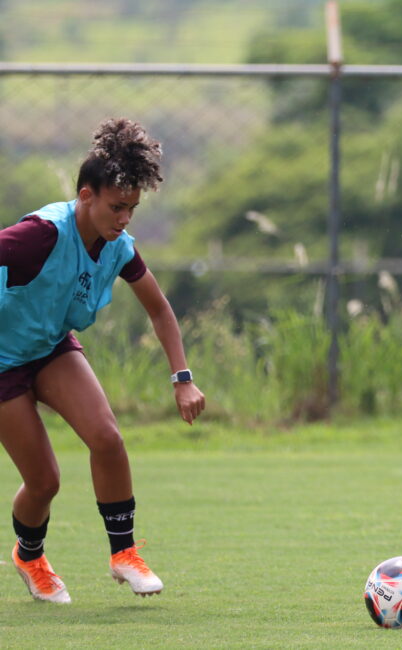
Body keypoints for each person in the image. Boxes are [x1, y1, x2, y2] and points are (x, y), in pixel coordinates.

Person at [0, 118, 206, 603]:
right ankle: (30, 556)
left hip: (49, 347)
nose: (125, 218)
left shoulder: (118, 246)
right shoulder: (39, 235)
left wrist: (183, 378)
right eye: (117, 207)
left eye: (132, 209)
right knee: (44, 481)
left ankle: (124, 555)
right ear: (85, 195)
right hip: (3, 362)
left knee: (107, 437)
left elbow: (159, 309)